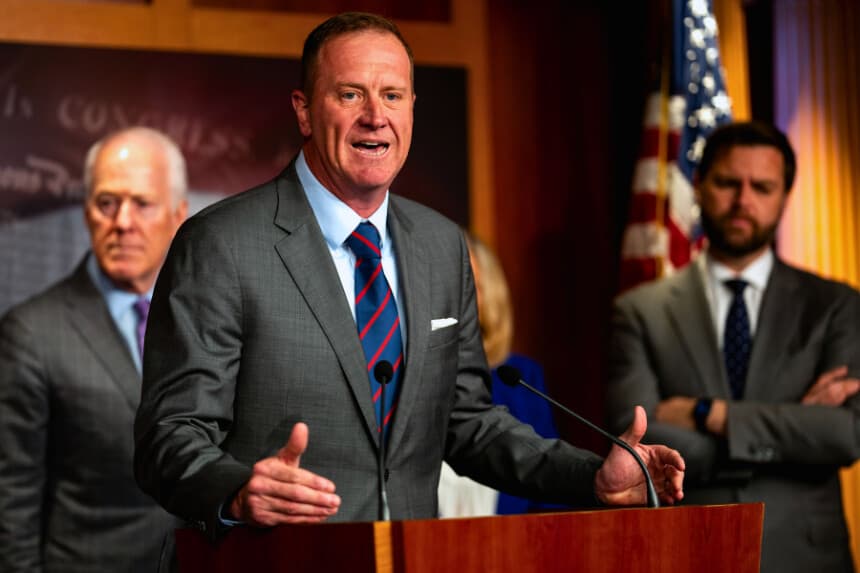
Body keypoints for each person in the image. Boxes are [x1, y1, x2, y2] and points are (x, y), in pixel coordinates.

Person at [133, 12, 684, 540]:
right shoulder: (222, 244)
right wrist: (237, 492)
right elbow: (169, 437)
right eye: (351, 94)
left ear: (412, 109)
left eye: (392, 95)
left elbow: (468, 422)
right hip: (276, 559)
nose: (376, 116)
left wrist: (591, 477)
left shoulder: (441, 246)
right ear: (303, 111)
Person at [606, 120, 860, 573]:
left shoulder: (836, 305)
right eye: (728, 183)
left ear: (784, 196)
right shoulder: (639, 310)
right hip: (686, 552)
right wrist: (792, 429)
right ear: (698, 186)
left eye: (762, 187)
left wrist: (711, 415)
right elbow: (634, 442)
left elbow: (845, 435)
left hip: (805, 556)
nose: (744, 200)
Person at [0, 126, 188, 572]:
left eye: (142, 203)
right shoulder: (31, 333)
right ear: (87, 214)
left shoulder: (211, 318)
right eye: (107, 203)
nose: (123, 222)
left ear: (178, 215)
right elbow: (11, 509)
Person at [438, 233, 567, 516]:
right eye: (442, 286)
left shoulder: (520, 377)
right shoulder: (390, 377)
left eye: (467, 285)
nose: (453, 299)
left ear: (488, 295)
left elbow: (549, 489)